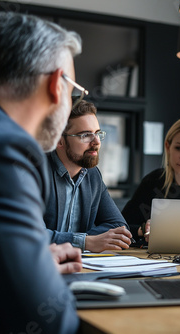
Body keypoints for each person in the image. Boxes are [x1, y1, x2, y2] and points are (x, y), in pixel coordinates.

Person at [0, 12, 84, 333]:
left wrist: (27, 263)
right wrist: (34, 272)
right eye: (74, 93)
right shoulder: (2, 148)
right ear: (57, 85)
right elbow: (49, 322)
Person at [44, 100, 133, 252]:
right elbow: (26, 233)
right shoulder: (37, 171)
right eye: (85, 135)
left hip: (80, 267)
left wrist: (83, 241)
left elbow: (119, 227)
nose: (96, 142)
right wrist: (84, 242)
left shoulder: (92, 175)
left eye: (97, 133)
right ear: (59, 140)